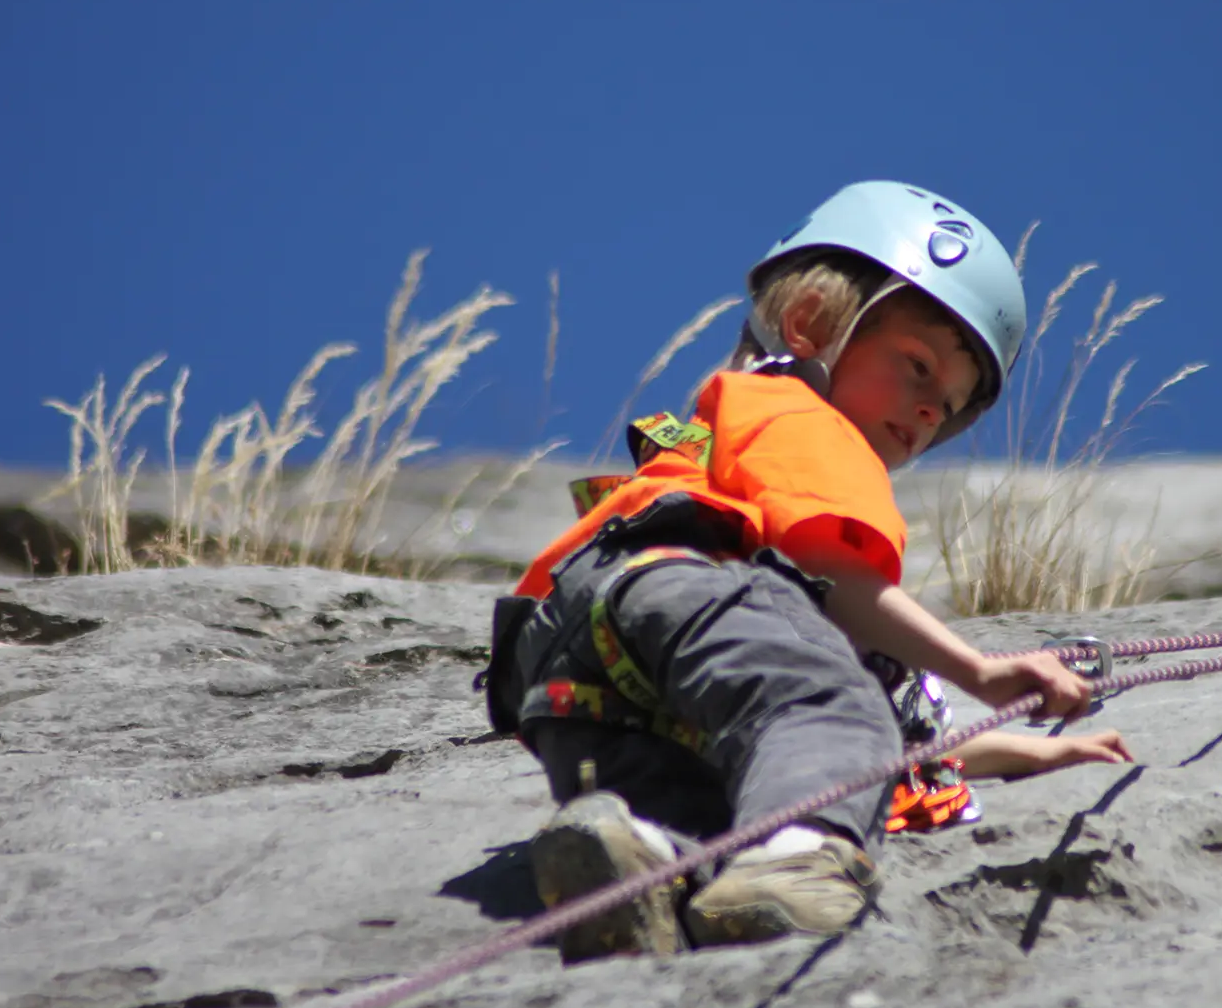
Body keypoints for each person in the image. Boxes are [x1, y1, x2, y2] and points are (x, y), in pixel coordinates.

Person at [485, 180, 1133, 963]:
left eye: (951, 405)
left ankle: (631, 857)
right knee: (833, 705)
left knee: (723, 795)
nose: (932, 411)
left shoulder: (730, 433)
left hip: (576, 673)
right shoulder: (801, 416)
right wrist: (981, 671)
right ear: (810, 325)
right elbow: (832, 584)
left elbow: (883, 738)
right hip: (685, 586)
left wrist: (1031, 750)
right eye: (918, 367)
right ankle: (796, 858)